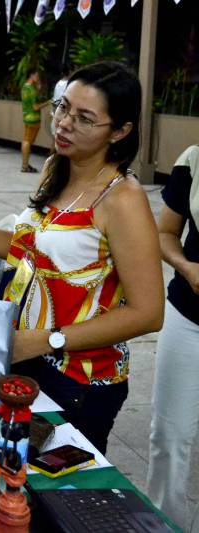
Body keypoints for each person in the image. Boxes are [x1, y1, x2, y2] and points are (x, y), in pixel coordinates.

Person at [0, 62, 164, 455]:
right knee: (5, 470)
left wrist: (47, 340)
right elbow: (31, 253)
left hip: (80, 380)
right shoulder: (56, 168)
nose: (64, 123)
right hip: (26, 353)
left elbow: (148, 312)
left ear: (119, 132)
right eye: (63, 107)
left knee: (55, 493)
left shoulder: (122, 200)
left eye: (85, 118)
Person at [146, 144, 199, 531]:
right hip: (188, 317)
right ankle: (162, 525)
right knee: (169, 436)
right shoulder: (193, 159)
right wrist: (186, 267)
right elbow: (165, 233)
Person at [20, 69, 50, 173]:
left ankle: (25, 164)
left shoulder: (25, 87)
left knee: (26, 140)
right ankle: (25, 165)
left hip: (27, 116)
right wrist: (48, 103)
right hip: (33, 118)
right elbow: (36, 107)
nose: (38, 78)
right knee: (28, 141)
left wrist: (38, 88)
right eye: (36, 76)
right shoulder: (31, 90)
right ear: (31, 75)